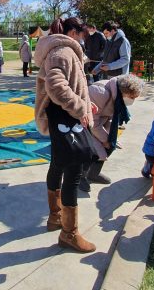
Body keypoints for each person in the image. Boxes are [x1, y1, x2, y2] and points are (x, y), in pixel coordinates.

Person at [34, 16, 96, 253]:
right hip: (68, 121)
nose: (83, 39)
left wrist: (86, 103)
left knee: (58, 164)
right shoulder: (62, 52)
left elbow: (72, 85)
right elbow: (57, 86)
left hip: (64, 118)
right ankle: (69, 233)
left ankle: (55, 217)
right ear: (72, 32)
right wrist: (80, 108)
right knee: (73, 173)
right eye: (82, 34)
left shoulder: (59, 50)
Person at [80, 74, 145, 192]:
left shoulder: (118, 96)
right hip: (84, 125)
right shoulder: (100, 92)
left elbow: (110, 118)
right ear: (125, 91)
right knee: (93, 150)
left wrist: (111, 138)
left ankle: (93, 174)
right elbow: (92, 122)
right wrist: (105, 139)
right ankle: (81, 176)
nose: (133, 100)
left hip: (98, 123)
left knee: (111, 145)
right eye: (132, 97)